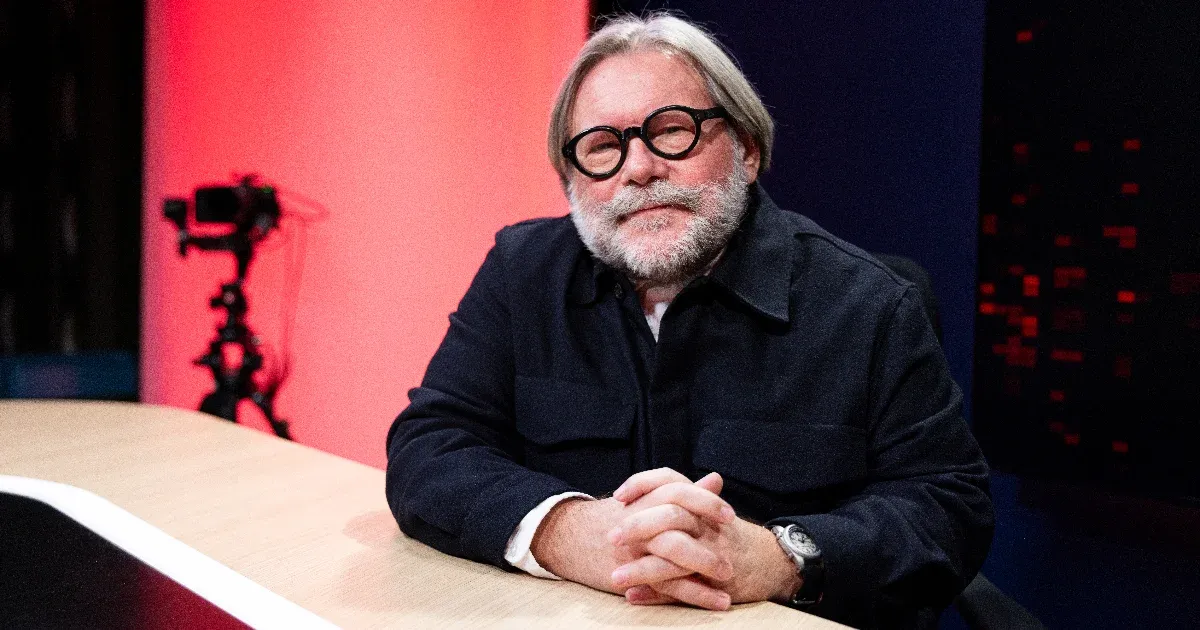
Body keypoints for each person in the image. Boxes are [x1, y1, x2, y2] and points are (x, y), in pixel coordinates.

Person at [385, 13, 993, 629]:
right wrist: (570, 531)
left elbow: (949, 505)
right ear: (571, 179)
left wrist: (781, 558)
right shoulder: (521, 274)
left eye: (672, 131)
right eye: (602, 147)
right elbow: (430, 443)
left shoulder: (871, 304)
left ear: (746, 150)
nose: (638, 168)